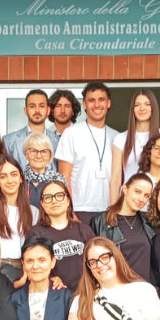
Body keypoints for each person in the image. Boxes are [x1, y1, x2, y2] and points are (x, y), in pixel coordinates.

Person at [55, 82, 119, 226]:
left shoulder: (117, 137)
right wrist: (70, 211)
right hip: (79, 210)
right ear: (84, 105)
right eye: (91, 100)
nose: (97, 104)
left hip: (108, 210)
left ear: (108, 103)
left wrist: (116, 210)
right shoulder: (71, 133)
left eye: (101, 100)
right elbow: (63, 176)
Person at [27, 181, 96, 292]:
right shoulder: (36, 233)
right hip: (53, 294)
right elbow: (30, 267)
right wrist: (49, 279)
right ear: (43, 204)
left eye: (59, 196)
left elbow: (96, 262)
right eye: (48, 197)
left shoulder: (84, 230)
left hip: (84, 294)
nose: (54, 201)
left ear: (68, 201)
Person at [90, 174, 155, 281]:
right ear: (125, 189)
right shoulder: (101, 221)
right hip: (115, 288)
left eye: (146, 195)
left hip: (143, 289)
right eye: (137, 192)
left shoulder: (148, 221)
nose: (141, 199)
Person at [111, 89, 160, 204]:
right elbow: (116, 178)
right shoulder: (121, 138)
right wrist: (112, 209)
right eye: (137, 105)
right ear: (132, 109)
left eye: (147, 104)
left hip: (158, 201)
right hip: (129, 202)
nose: (142, 108)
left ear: (153, 107)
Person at [4, 89, 61, 170]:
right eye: (32, 106)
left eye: (41, 106)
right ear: (25, 110)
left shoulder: (59, 141)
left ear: (48, 110)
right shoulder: (8, 141)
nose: (37, 110)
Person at [23, 132, 67, 208]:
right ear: (26, 154)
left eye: (43, 152)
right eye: (33, 151)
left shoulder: (59, 180)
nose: (39, 156)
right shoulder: (18, 180)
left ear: (50, 155)